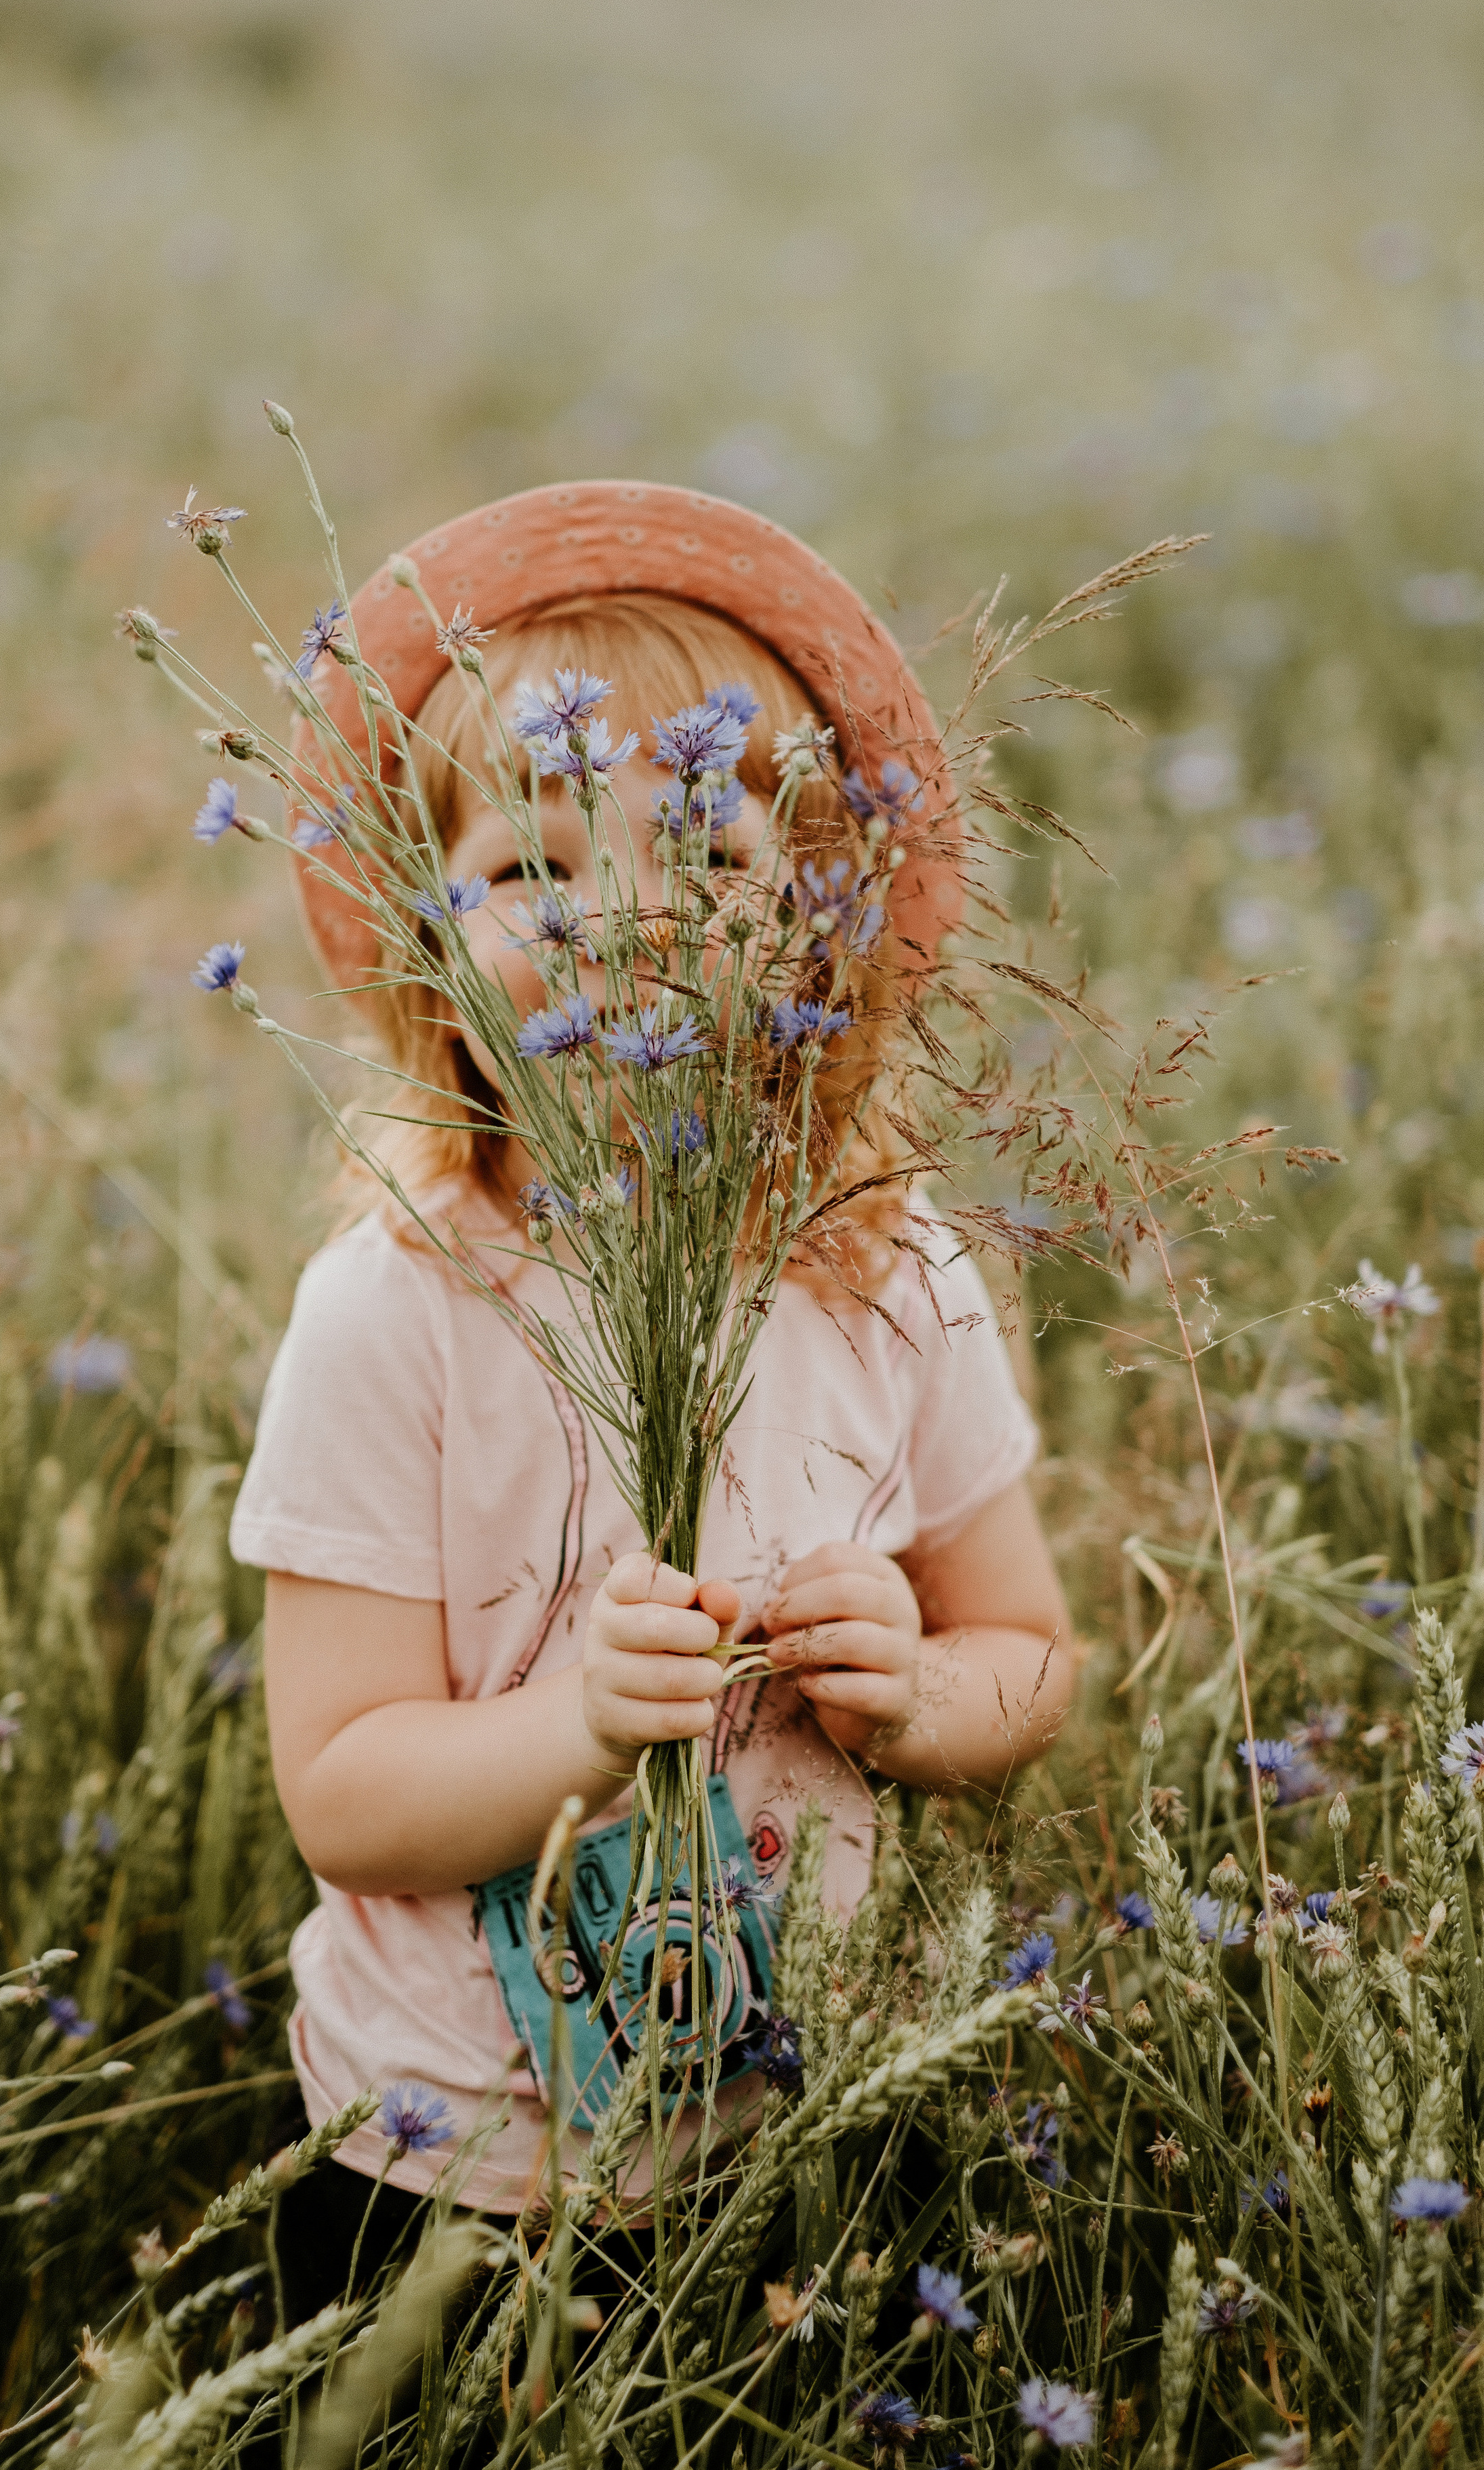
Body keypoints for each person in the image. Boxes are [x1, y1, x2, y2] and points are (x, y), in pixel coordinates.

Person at [227, 481, 1072, 2307]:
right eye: (531, 868)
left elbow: (1030, 1656)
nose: (619, 925)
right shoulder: (397, 1313)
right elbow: (346, 1792)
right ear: (425, 946)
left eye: (704, 863)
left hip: (831, 2117)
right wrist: (576, 1732)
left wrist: (917, 1692)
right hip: (459, 2174)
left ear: (816, 941)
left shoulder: (886, 1265)